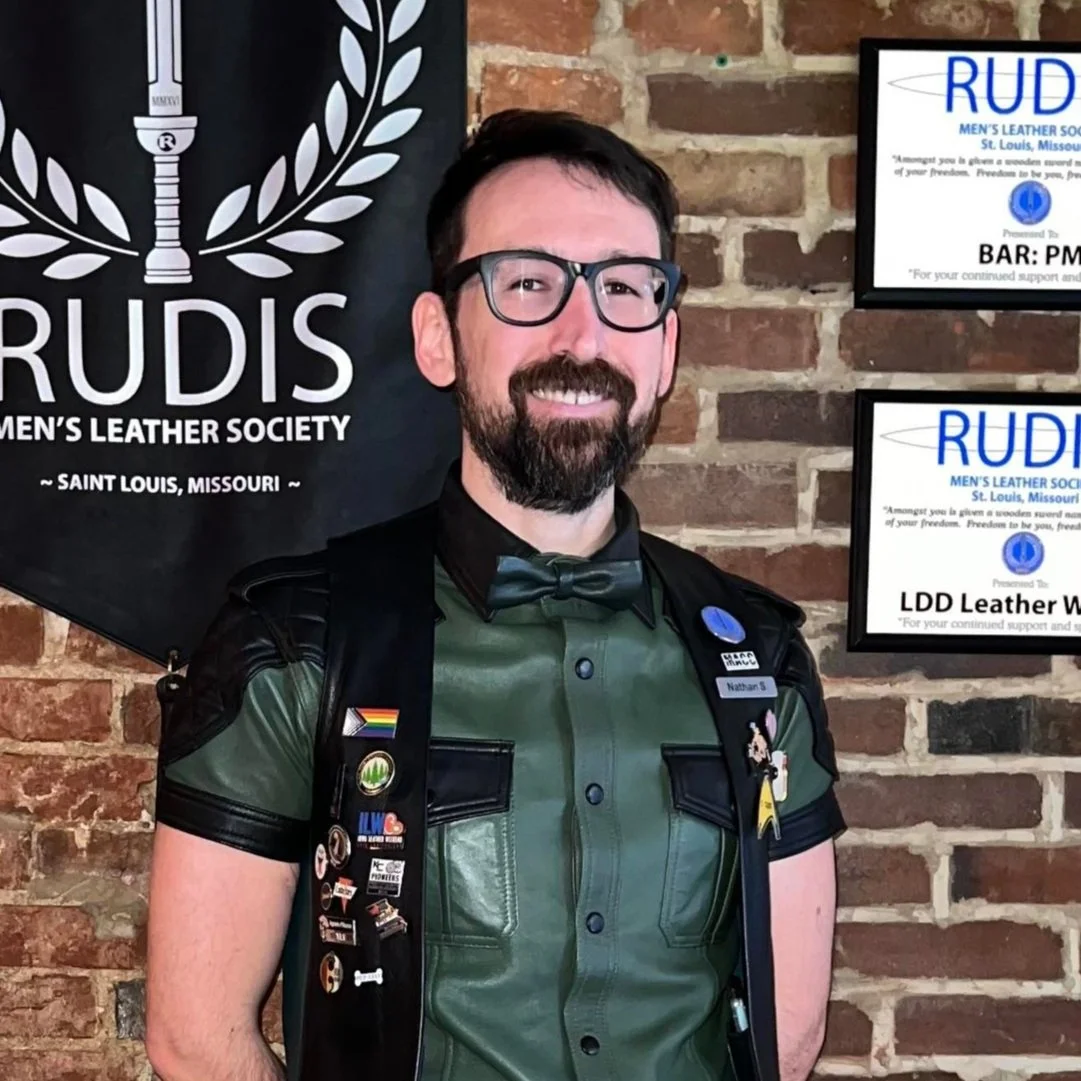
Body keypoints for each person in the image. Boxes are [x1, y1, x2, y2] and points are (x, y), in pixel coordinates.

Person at [145, 109, 843, 1081]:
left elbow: (786, 1035)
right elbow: (197, 1038)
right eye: (527, 283)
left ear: (665, 348)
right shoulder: (298, 640)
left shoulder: (754, 657)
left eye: (624, 287)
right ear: (439, 338)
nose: (582, 332)